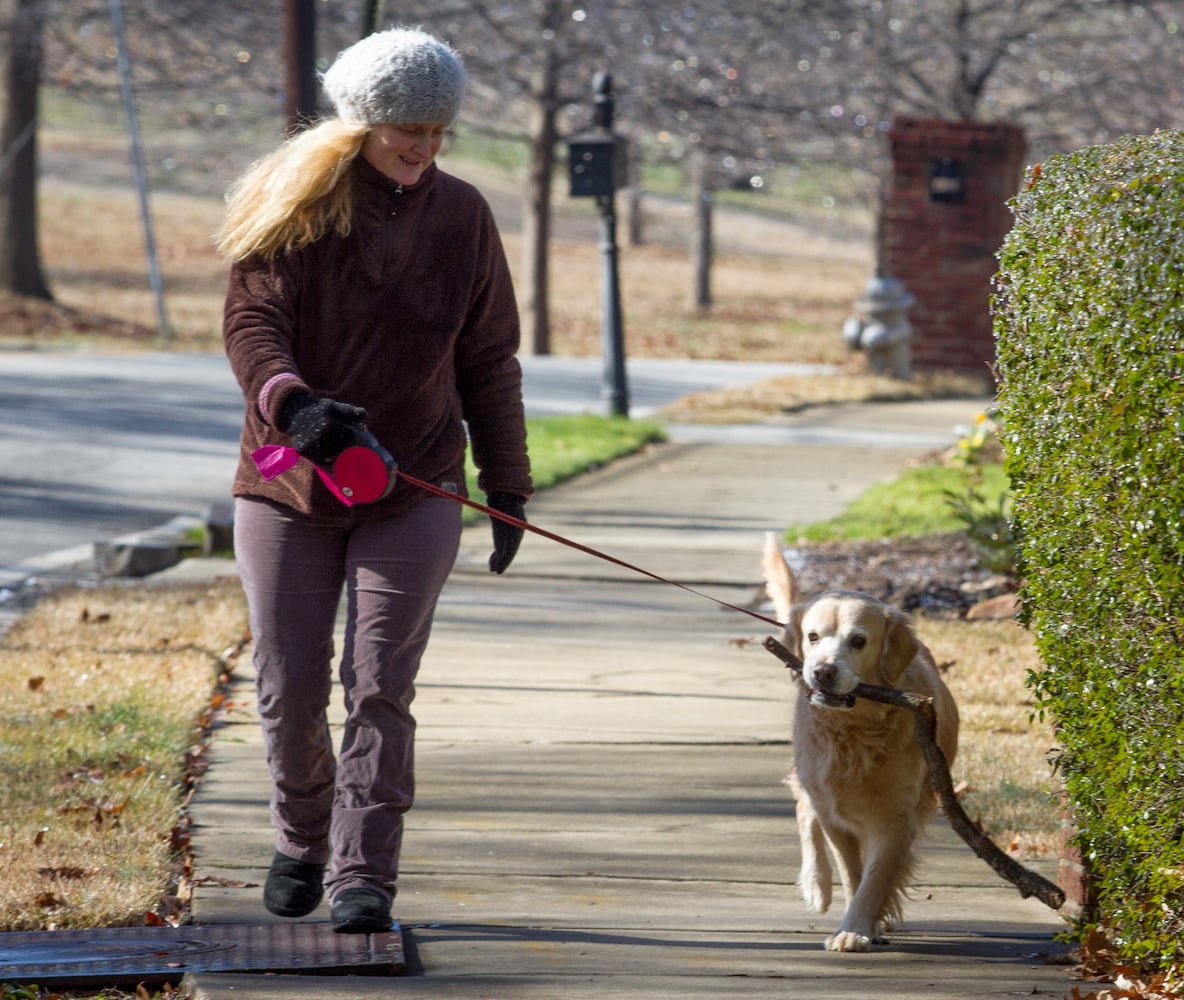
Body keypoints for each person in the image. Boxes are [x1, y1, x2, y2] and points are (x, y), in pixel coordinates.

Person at [216, 27, 532, 934]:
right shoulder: (298, 206)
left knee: (380, 681)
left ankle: (363, 870)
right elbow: (253, 330)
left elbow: (491, 358)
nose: (424, 146)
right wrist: (300, 407)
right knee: (286, 680)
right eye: (407, 128)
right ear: (359, 124)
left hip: (416, 482)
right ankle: (301, 834)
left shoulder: (463, 217)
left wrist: (506, 484)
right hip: (288, 479)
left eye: (438, 130)